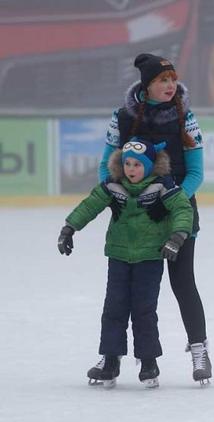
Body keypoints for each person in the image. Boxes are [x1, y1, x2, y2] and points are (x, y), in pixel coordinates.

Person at [98, 53, 211, 384]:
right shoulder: (121, 119)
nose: (171, 85)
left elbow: (196, 174)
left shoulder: (185, 119)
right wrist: (118, 196)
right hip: (134, 218)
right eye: (163, 80)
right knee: (125, 291)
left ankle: (200, 350)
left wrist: (169, 201)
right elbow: (106, 165)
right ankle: (113, 357)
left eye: (173, 79)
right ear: (147, 85)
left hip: (176, 214)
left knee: (182, 283)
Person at [58, 138, 194, 388]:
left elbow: (183, 209)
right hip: (119, 256)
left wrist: (177, 236)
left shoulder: (162, 186)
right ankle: (111, 359)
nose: (131, 169)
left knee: (144, 310)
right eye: (127, 164)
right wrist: (70, 227)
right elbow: (90, 205)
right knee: (114, 308)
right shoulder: (113, 185)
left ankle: (148, 360)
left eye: (137, 165)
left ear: (150, 166)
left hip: (150, 258)